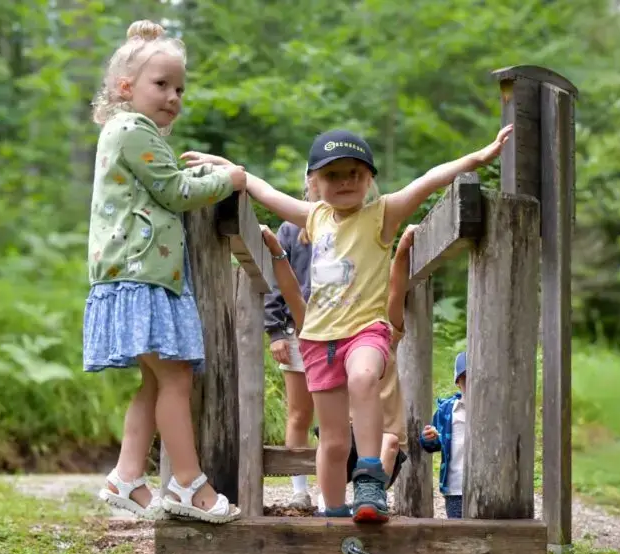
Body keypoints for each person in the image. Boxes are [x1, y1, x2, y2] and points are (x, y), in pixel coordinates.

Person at [184, 123, 512, 523]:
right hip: (320, 340)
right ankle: (334, 513)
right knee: (334, 441)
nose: (344, 182)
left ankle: (371, 478)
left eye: (354, 173)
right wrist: (231, 171)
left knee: (363, 378)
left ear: (369, 178)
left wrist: (477, 157)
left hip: (366, 330)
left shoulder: (382, 215)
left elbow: (428, 181)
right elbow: (266, 192)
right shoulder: (315, 217)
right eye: (332, 175)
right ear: (316, 183)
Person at [86, 20, 246, 523]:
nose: (173, 96)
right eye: (162, 85)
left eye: (180, 88)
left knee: (156, 382)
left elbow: (165, 184)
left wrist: (198, 174)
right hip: (140, 275)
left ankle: (127, 476)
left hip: (141, 275)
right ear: (125, 87)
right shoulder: (133, 129)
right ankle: (188, 484)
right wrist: (228, 178)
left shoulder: (136, 133)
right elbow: (174, 193)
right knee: (176, 378)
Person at [261, 223, 417, 514]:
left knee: (390, 440)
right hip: (346, 439)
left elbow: (396, 289)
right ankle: (330, 505)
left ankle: (370, 498)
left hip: (383, 442)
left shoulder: (381, 332)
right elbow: (294, 294)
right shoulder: (319, 335)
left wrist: (404, 248)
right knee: (332, 441)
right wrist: (277, 252)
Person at [263, 176, 316, 509]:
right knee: (300, 413)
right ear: (308, 184)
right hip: (297, 331)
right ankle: (300, 489)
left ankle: (337, 485)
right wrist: (276, 331)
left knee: (340, 416)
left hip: (342, 331)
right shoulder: (288, 230)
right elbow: (274, 282)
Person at [421, 352, 468, 518]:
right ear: (458, 382)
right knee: (457, 530)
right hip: (455, 486)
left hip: (488, 486)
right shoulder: (447, 410)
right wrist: (429, 438)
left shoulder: (494, 410)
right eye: (466, 379)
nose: (472, 383)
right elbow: (433, 444)